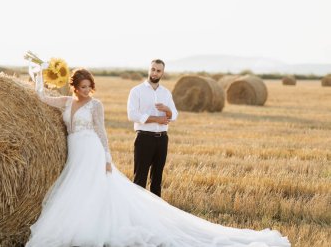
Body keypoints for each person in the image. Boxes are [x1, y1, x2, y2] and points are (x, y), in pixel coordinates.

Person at [25, 67, 291, 247]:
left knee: (95, 189)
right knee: (76, 189)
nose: (86, 90)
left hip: (92, 150)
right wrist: (36, 72)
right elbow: (40, 97)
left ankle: (89, 228)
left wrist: (107, 157)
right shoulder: (66, 102)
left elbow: (102, 132)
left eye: (88, 86)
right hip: (75, 150)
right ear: (74, 86)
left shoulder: (96, 105)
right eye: (82, 86)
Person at [127, 59, 178, 197]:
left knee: (157, 180)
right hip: (144, 138)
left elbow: (174, 115)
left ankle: (156, 212)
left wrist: (168, 110)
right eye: (153, 69)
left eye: (158, 71)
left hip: (162, 139)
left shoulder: (166, 93)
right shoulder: (136, 91)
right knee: (140, 179)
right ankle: (137, 210)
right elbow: (132, 114)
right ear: (149, 70)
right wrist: (156, 119)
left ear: (162, 73)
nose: (155, 73)